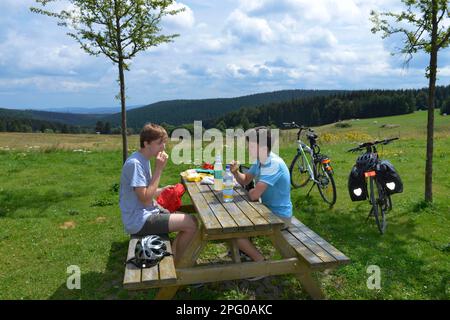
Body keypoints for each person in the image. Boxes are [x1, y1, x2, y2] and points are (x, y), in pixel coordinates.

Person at [119, 123, 197, 265]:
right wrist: (159, 169)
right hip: (138, 220)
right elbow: (144, 199)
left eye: (164, 143)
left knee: (191, 220)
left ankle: (173, 257)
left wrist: (162, 190)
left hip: (146, 211)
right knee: (190, 224)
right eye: (159, 143)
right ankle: (177, 266)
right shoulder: (135, 164)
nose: (163, 147)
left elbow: (146, 192)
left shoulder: (143, 159)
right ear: (146, 143)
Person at [230, 126, 293, 265]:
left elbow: (254, 195)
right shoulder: (261, 160)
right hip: (267, 210)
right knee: (235, 223)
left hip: (279, 216)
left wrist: (251, 191)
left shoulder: (273, 164)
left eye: (251, 145)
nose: (248, 148)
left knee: (234, 232)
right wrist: (235, 173)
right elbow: (246, 180)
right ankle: (244, 252)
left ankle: (260, 262)